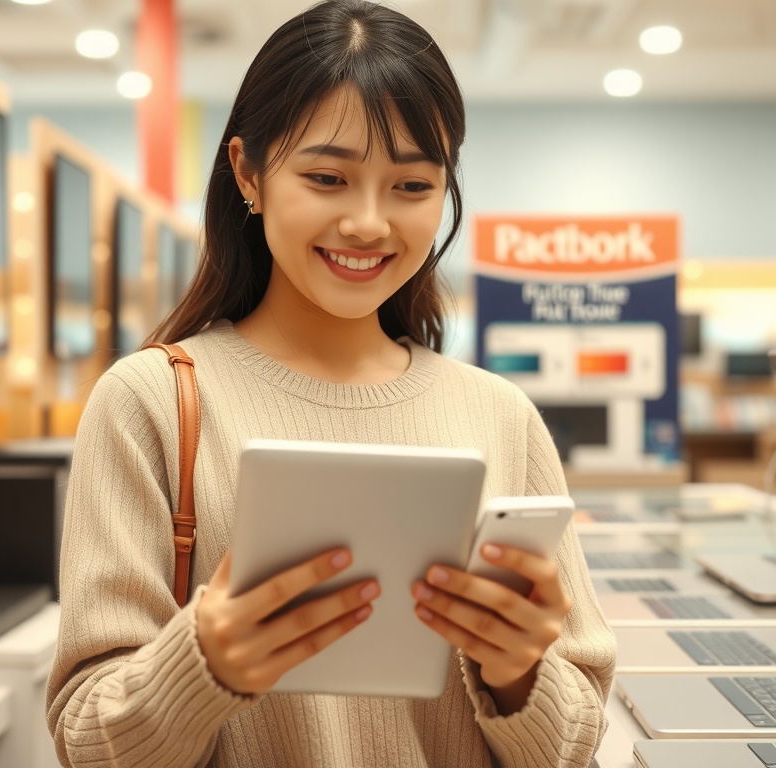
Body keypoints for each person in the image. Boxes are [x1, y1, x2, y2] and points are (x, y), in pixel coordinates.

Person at [44, 2, 615, 766]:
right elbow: (86, 743)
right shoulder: (150, 400)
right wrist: (203, 665)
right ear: (248, 171)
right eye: (326, 177)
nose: (369, 223)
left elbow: (578, 744)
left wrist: (517, 675)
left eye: (412, 186)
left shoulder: (500, 414)